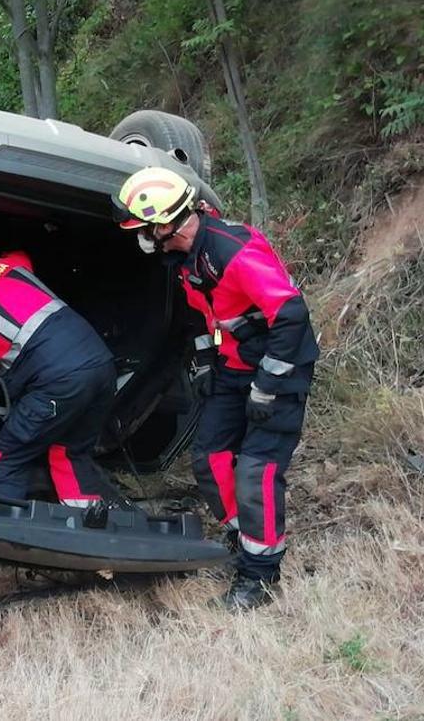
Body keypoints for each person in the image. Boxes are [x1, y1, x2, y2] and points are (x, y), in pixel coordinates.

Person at [115, 166, 318, 610]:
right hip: (233, 368)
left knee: (256, 471)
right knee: (209, 458)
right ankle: (241, 537)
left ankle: (259, 577)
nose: (143, 238)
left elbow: (290, 316)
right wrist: (207, 362)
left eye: (145, 228)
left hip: (276, 369)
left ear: (166, 223)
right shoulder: (186, 259)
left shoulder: (233, 251)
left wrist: (268, 386)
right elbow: (205, 316)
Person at [0, 241, 123, 508]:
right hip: (102, 365)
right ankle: (89, 525)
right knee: (69, 452)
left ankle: (5, 533)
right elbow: (20, 252)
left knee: (3, 459)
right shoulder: (9, 265)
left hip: (59, 383)